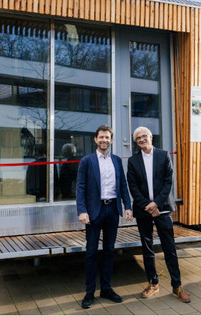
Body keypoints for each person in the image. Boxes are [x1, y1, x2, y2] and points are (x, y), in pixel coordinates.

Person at [126, 126, 191, 303]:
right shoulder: (133, 161)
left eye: (144, 136)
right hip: (143, 210)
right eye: (138, 138)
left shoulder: (163, 155)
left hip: (162, 209)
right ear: (135, 142)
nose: (141, 139)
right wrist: (148, 205)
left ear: (151, 137)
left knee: (169, 248)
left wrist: (157, 204)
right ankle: (153, 283)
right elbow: (133, 186)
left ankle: (177, 286)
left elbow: (168, 181)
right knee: (147, 249)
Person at [75, 125, 133, 309]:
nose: (104, 140)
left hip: (112, 211)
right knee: (91, 252)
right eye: (101, 137)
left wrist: (128, 206)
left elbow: (123, 185)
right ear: (95, 139)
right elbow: (80, 188)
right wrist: (81, 210)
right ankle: (89, 292)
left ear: (111, 140)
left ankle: (106, 288)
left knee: (109, 251)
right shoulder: (87, 161)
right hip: (94, 212)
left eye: (107, 137)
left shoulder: (116, 160)